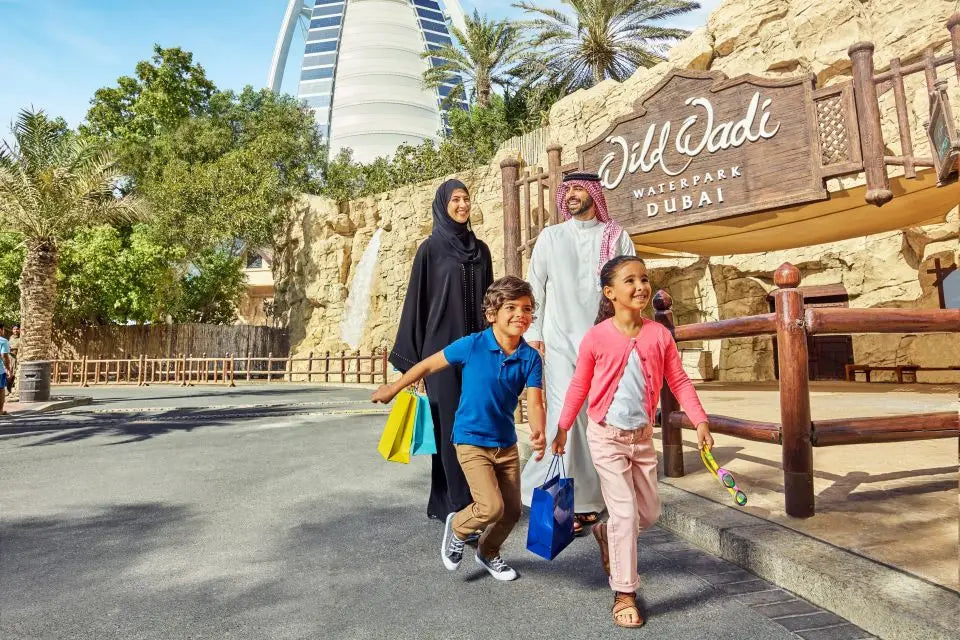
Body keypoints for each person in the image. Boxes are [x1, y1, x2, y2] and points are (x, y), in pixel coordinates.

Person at [552, 255, 713, 628]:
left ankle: (606, 532)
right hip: (606, 437)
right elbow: (579, 386)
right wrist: (562, 427)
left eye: (644, 278)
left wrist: (700, 420)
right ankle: (624, 592)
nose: (640, 286)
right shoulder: (597, 337)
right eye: (630, 280)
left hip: (641, 438)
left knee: (648, 514)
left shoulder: (658, 335)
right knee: (624, 514)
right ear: (610, 293)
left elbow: (679, 380)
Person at [374, 277, 546, 580]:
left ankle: (488, 551)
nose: (521, 314)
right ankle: (457, 526)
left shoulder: (530, 358)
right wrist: (393, 388)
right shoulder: (473, 345)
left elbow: (534, 402)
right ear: (491, 313)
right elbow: (427, 365)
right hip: (471, 440)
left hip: (505, 443)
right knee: (490, 507)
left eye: (527, 308)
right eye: (511, 307)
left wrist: (539, 431)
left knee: (512, 511)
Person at [521, 171, 636, 536]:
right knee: (564, 419)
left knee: (596, 417)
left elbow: (630, 286)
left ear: (593, 193)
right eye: (566, 189)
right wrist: (534, 333)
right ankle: (564, 503)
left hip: (604, 343)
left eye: (577, 189)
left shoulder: (616, 236)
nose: (570, 194)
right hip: (559, 342)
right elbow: (535, 286)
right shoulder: (551, 236)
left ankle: (590, 496)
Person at [389, 179, 494, 522]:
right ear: (443, 205)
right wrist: (412, 364)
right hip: (440, 354)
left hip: (476, 351)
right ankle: (458, 504)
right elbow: (416, 305)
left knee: (475, 423)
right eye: (455, 200)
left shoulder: (481, 250)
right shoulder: (430, 250)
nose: (462, 205)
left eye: (466, 199)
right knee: (448, 425)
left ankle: (466, 498)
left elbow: (490, 304)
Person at [0, 325, 10, 415]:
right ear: (0, 330)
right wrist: (8, 369)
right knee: (1, 389)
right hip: (0, 371)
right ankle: (0, 411)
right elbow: (4, 356)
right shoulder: (3, 341)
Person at [6, 325, 18, 393]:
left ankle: (12, 390)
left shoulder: (20, 339)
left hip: (17, 358)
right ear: (12, 330)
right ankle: (8, 390)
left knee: (15, 374)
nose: (15, 330)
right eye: (14, 329)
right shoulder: (11, 338)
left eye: (17, 329)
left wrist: (15, 349)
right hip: (11, 358)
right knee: (10, 374)